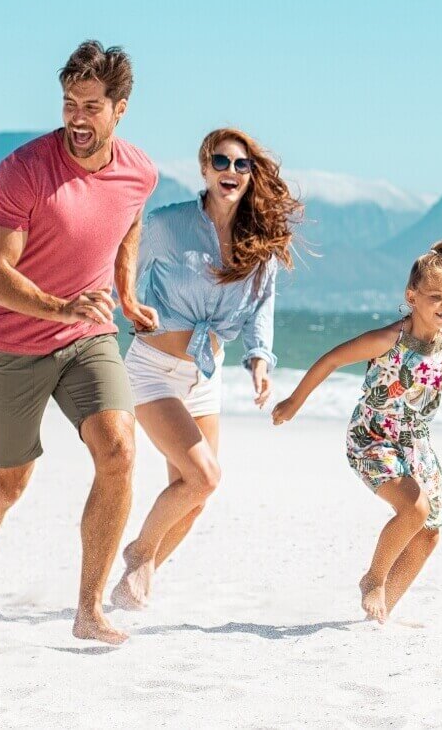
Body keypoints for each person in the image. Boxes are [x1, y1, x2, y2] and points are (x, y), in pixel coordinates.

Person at [0, 41, 159, 645]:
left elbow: (127, 224)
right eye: (69, 104)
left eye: (91, 106)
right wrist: (59, 305)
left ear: (120, 109)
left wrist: (126, 291)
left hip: (88, 336)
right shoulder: (23, 169)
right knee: (8, 484)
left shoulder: (140, 171)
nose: (77, 119)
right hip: (15, 342)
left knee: (119, 451)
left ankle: (88, 609)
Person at [271, 241, 442, 623]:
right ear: (412, 296)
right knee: (414, 507)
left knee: (429, 532)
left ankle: (380, 614)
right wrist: (293, 402)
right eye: (436, 296)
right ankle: (373, 579)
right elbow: (331, 359)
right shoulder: (388, 339)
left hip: (415, 447)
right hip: (372, 437)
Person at [109, 127, 301, 610]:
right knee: (205, 477)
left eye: (241, 164)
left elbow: (263, 307)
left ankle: (137, 577)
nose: (230, 172)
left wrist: (259, 359)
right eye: (221, 162)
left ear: (252, 174)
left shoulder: (260, 246)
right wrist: (126, 303)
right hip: (153, 368)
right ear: (203, 167)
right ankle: (139, 553)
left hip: (205, 376)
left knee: (194, 498)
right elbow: (125, 260)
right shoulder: (167, 224)